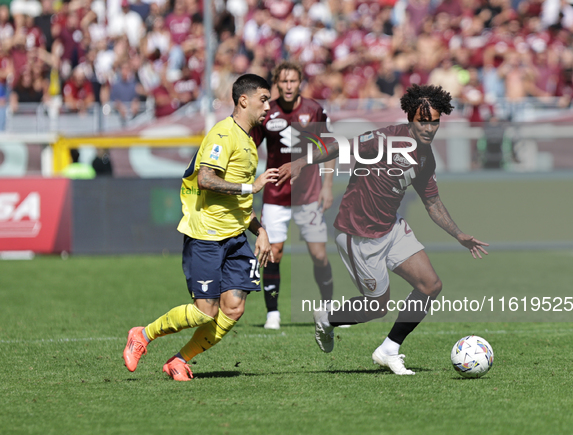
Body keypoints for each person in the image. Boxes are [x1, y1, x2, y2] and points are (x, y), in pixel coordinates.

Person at [280, 84, 489, 375]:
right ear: (410, 118)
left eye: (435, 122)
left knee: (430, 285)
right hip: (358, 233)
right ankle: (327, 317)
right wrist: (303, 162)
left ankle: (389, 348)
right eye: (423, 121)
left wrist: (459, 234)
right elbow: (342, 145)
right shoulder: (385, 138)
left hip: (390, 228)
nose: (429, 128)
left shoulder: (426, 158)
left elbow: (432, 202)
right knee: (376, 307)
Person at [123, 74, 279, 381]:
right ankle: (142, 334)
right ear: (243, 100)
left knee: (233, 309)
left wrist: (259, 230)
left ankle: (179, 361)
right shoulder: (223, 134)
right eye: (264, 99)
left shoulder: (249, 142)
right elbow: (206, 179)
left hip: (234, 237)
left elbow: (237, 204)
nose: (268, 107)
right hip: (206, 235)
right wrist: (252, 187)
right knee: (204, 312)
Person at [250, 61, 336, 330]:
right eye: (283, 81)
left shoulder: (313, 110)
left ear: (300, 83)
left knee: (319, 255)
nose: (288, 86)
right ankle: (272, 313)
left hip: (308, 194)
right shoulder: (268, 112)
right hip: (276, 195)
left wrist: (327, 185)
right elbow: (249, 147)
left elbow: (329, 147)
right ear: (277, 83)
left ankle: (329, 308)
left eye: (293, 81)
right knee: (274, 253)